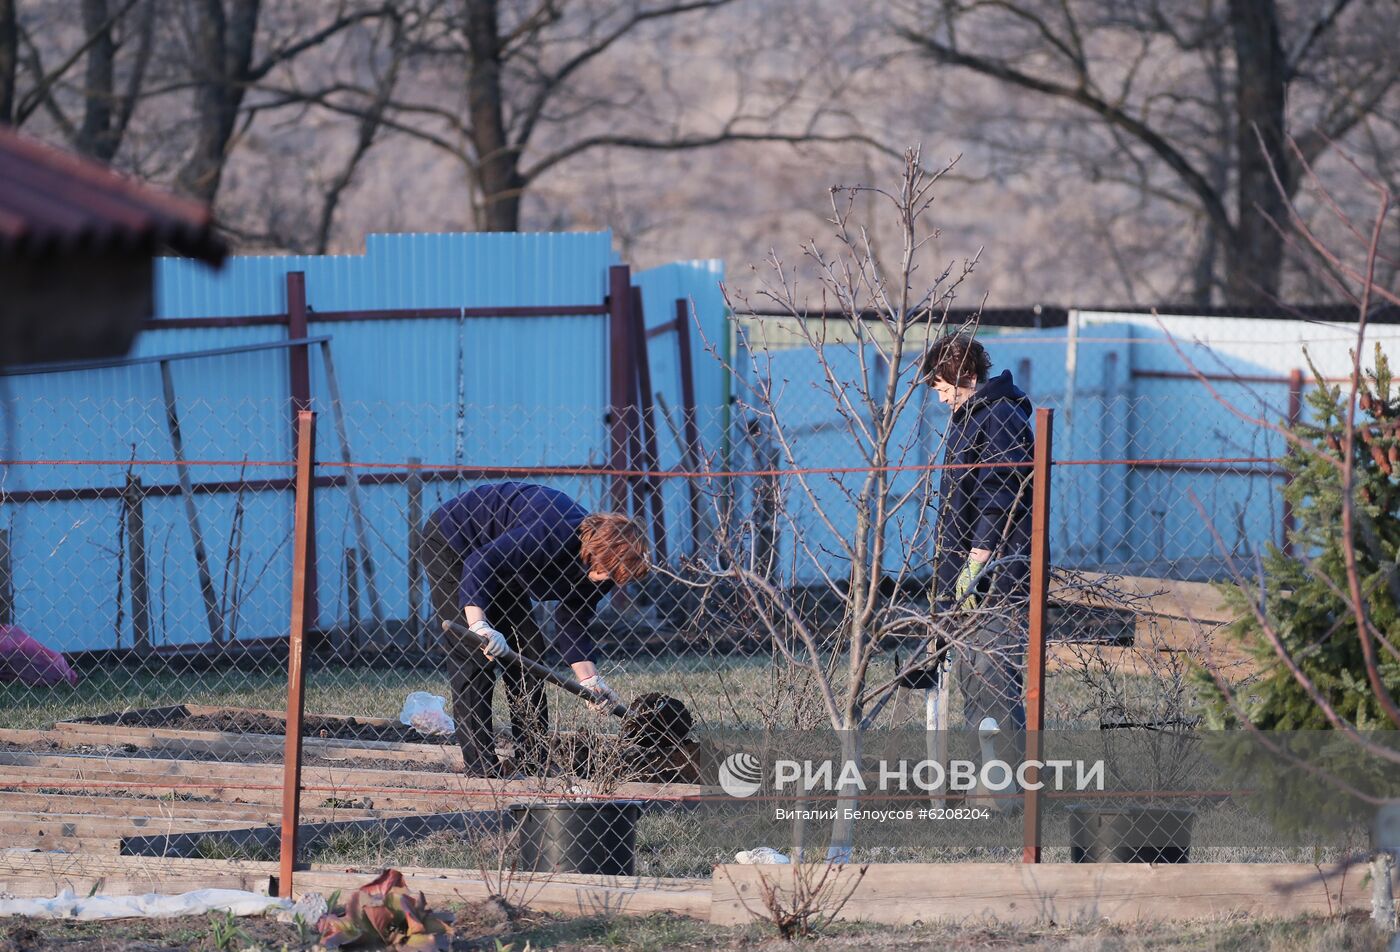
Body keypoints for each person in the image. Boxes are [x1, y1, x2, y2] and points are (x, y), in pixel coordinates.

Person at [420, 482, 649, 776]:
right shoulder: (552, 532)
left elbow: (572, 619)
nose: (604, 579)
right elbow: (481, 561)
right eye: (606, 570)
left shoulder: (602, 570)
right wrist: (480, 627)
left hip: (502, 565)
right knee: (476, 656)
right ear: (598, 548)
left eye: (615, 576)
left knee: (528, 652)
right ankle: (481, 768)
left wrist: (590, 680)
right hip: (456, 541)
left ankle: (534, 759)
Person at [921, 335, 1035, 745]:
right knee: (974, 684)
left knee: (994, 685)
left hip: (996, 582)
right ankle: (987, 790)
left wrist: (975, 563)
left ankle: (1007, 796)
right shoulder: (971, 417)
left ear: (966, 375)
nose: (940, 400)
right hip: (970, 583)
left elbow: (997, 496)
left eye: (943, 388)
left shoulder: (1000, 416)